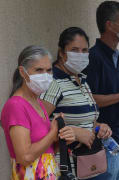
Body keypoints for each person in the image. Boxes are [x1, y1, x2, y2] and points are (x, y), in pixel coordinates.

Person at [40, 27, 112, 177]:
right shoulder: (54, 82)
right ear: (61, 52)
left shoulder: (82, 81)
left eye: (85, 50)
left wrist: (99, 127)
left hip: (86, 167)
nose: (80, 55)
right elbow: (38, 125)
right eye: (74, 50)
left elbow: (86, 121)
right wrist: (74, 133)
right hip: (63, 170)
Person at [83, 1, 119, 180]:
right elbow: (88, 99)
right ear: (109, 25)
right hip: (102, 143)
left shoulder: (113, 55)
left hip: (118, 139)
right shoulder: (94, 57)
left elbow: (108, 95)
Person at [1, 45, 75, 179]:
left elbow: (46, 150)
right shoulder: (16, 106)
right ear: (23, 72)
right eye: (39, 70)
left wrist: (61, 140)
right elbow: (25, 157)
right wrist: (52, 134)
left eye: (48, 70)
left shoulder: (38, 102)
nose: (45, 76)